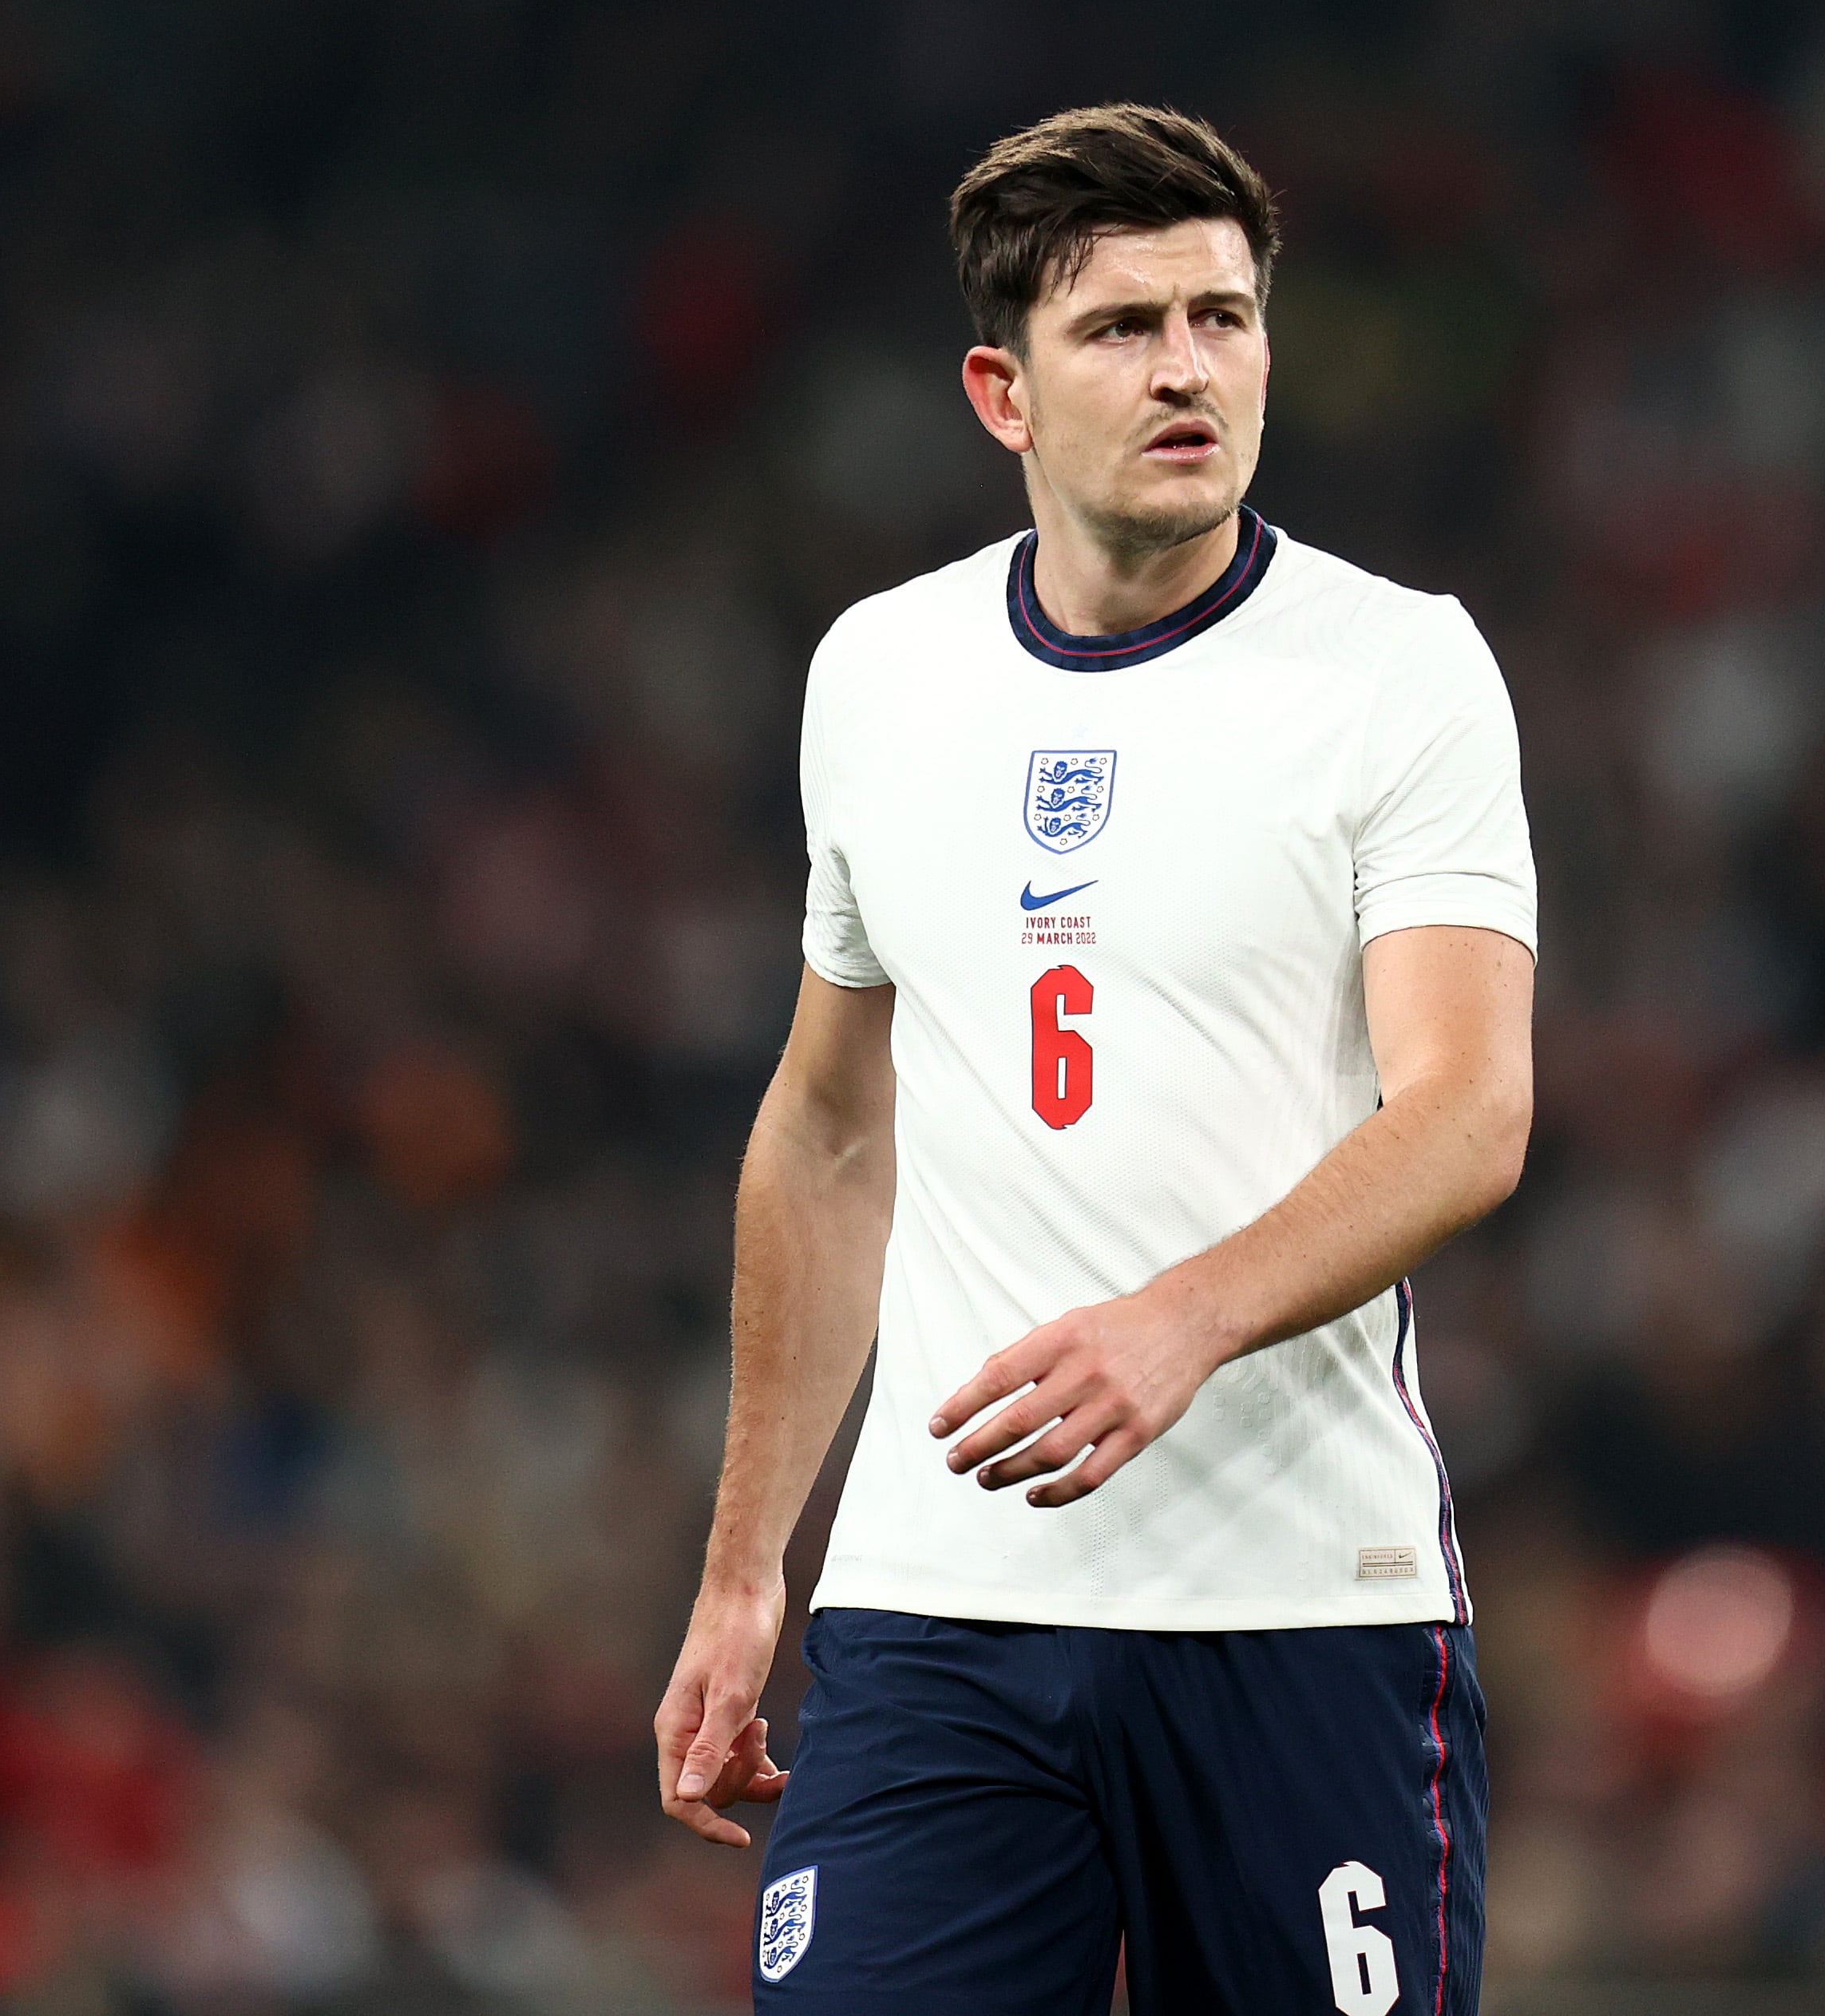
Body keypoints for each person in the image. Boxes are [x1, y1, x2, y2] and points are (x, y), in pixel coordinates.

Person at [650, 105, 1537, 2014]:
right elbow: (823, 1132)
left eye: (1223, 318)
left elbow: (1464, 1111)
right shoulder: (880, 676)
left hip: (1297, 1604)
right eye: (1123, 329)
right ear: (1002, 392)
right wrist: (745, 1572)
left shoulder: (1398, 670)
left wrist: (1183, 1319)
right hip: (937, 1613)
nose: (1188, 368)